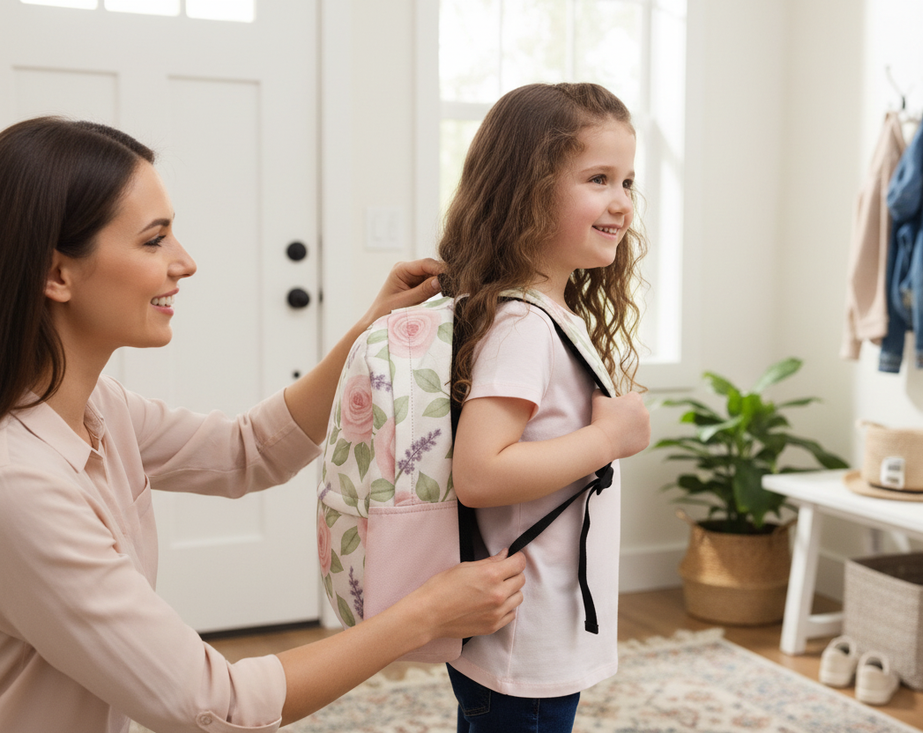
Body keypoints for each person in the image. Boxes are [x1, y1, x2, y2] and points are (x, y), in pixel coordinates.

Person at [0, 116, 526, 733]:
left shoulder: (98, 408)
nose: (185, 263)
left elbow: (245, 451)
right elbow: (212, 705)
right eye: (153, 241)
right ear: (56, 274)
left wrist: (367, 334)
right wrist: (427, 613)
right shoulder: (21, 485)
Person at [439, 83, 651, 732]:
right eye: (598, 179)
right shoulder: (525, 325)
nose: (621, 202)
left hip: (529, 631)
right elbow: (479, 474)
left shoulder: (549, 312)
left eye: (628, 181)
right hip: (524, 641)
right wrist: (606, 440)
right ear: (527, 190)